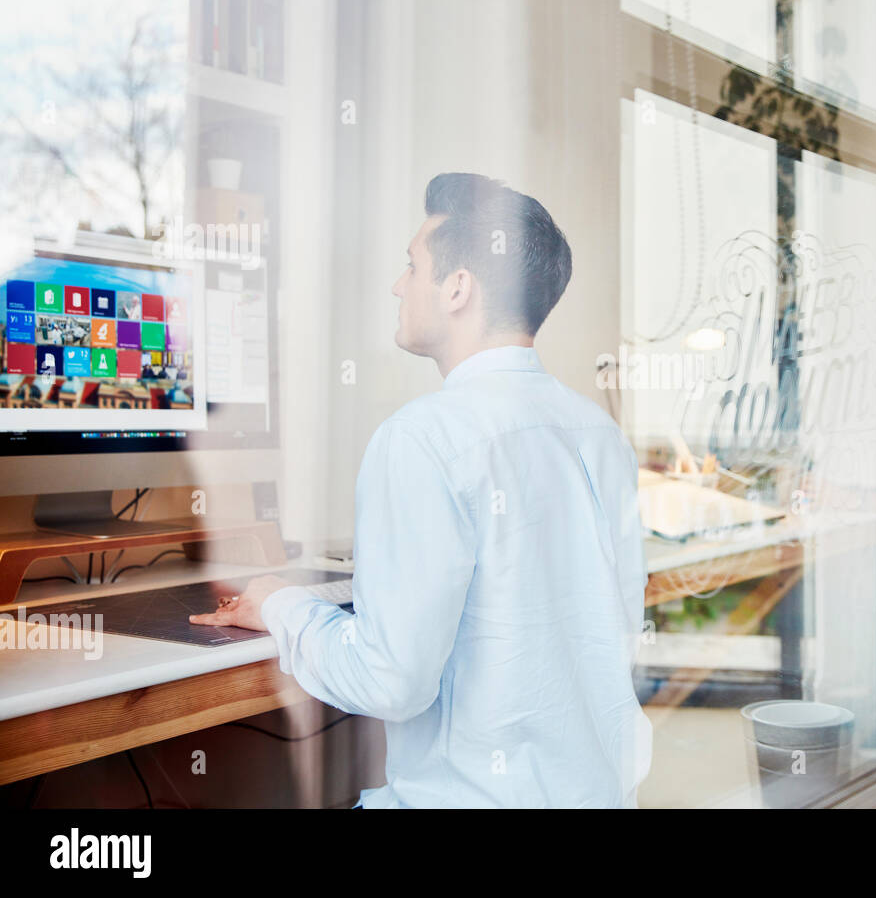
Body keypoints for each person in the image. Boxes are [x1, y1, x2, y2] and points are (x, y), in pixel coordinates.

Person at [190, 173, 652, 807]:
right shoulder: (600, 433)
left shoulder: (423, 438)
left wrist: (278, 604)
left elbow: (390, 683)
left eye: (413, 265)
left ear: (459, 288)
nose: (397, 284)